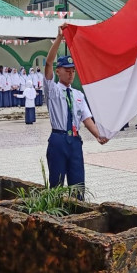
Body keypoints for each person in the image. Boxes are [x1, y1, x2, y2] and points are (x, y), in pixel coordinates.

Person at [44, 25, 108, 191]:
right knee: (56, 185)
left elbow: (86, 118)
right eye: (67, 70)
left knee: (78, 184)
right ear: (59, 71)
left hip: (74, 141)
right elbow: (48, 63)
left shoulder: (78, 94)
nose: (71, 74)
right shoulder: (53, 90)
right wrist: (59, 38)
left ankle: (76, 211)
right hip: (58, 139)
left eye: (73, 71)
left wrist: (98, 136)